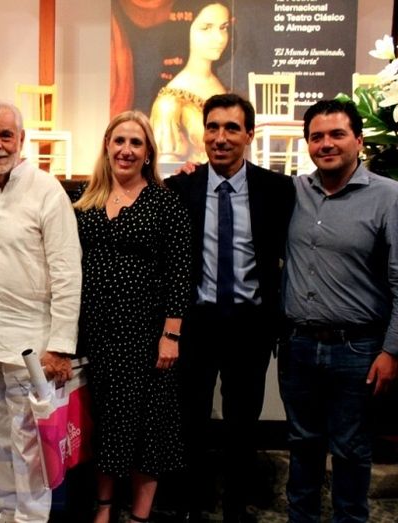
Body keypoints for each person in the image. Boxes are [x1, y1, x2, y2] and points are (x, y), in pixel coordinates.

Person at [164, 93, 295, 522]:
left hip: (249, 326)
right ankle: (193, 505)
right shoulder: (180, 188)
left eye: (232, 128)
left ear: (249, 135)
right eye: (213, 127)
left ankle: (237, 507)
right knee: (191, 421)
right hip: (196, 324)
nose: (220, 138)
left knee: (243, 424)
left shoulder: (277, 190)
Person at [0, 101, 82, 522]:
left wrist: (61, 345)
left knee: (29, 441)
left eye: (5, 135)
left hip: (30, 343)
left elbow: (67, 272)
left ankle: (30, 519)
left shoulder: (46, 190)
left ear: (22, 139)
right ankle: (6, 512)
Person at [280, 99, 398, 523]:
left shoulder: (389, 197)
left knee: (350, 451)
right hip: (298, 347)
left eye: (337, 135)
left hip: (358, 350)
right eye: (316, 137)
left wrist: (392, 351)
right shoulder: (293, 192)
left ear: (359, 141)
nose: (326, 144)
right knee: (302, 447)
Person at [73, 111, 192, 523]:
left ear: (148, 153)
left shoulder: (165, 202)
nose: (126, 150)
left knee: (147, 427)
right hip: (95, 334)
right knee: (104, 422)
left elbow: (180, 272)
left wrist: (171, 335)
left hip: (145, 335)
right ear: (107, 146)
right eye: (119, 141)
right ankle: (105, 507)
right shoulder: (84, 200)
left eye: (136, 143)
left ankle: (140, 516)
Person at [150, 1, 232, 164]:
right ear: (184, 31)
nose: (219, 38)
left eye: (223, 28)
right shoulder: (169, 103)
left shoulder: (223, 87)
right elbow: (165, 169)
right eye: (206, 28)